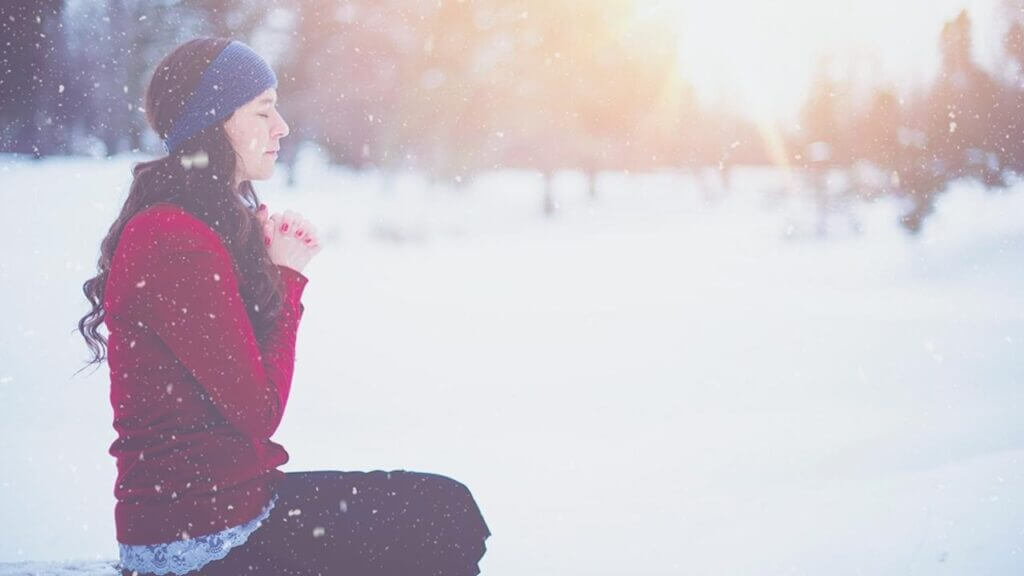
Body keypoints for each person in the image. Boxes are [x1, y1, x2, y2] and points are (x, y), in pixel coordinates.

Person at [76, 37, 491, 576]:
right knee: (440, 518)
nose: (282, 127)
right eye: (264, 110)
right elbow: (258, 410)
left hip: (233, 510)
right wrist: (288, 278)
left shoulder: (196, 226)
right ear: (215, 122)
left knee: (445, 511)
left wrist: (268, 271)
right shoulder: (172, 237)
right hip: (201, 540)